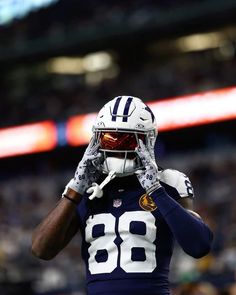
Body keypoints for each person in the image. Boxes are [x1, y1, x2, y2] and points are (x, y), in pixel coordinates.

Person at [31, 96, 213, 295]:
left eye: (127, 140)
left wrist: (156, 191)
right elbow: (41, 250)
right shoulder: (84, 187)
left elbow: (199, 245)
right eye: (109, 139)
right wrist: (75, 188)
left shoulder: (168, 182)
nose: (117, 148)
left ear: (147, 140)